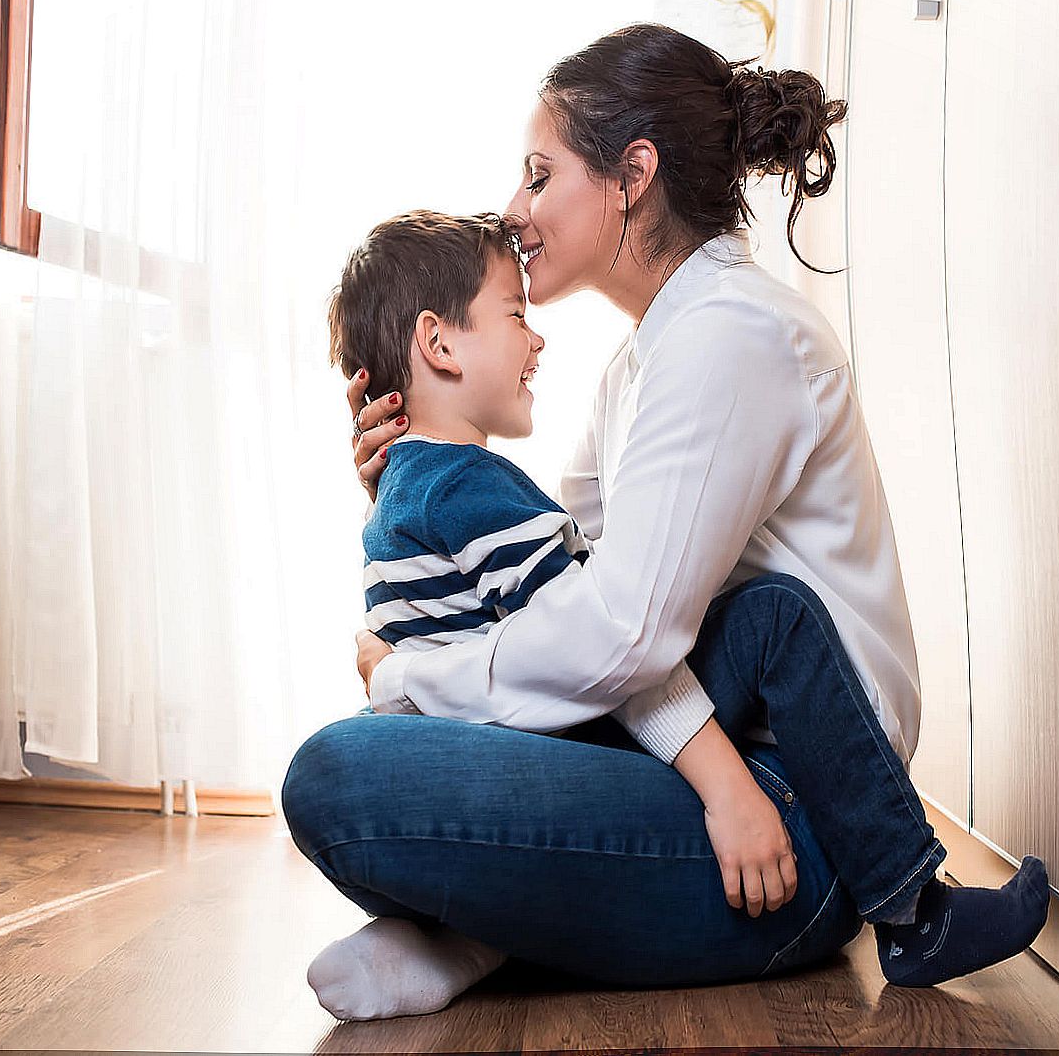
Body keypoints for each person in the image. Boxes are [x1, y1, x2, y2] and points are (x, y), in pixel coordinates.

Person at [281, 23, 1050, 1023]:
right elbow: (565, 581)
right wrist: (411, 487)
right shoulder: (640, 364)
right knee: (366, 760)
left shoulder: (728, 339)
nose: (516, 210)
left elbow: (614, 626)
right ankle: (472, 941)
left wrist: (410, 679)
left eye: (538, 174)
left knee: (342, 772)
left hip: (796, 807)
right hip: (701, 751)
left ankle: (906, 900)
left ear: (630, 174)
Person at [308, 207, 806, 1019]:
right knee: (776, 618)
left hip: (492, 756)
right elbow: (602, 641)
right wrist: (727, 787)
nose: (534, 338)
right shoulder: (474, 489)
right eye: (515, 315)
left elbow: (589, 615)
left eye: (542, 177)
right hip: (554, 750)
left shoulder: (399, 506)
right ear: (439, 344)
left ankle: (465, 934)